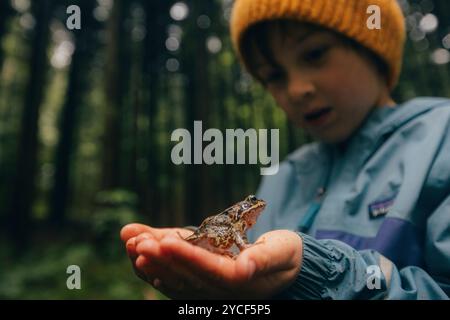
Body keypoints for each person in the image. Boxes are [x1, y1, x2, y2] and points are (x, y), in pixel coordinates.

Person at [120, 0, 450, 299]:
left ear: (373, 48)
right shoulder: (284, 176)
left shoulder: (440, 137)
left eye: (314, 54)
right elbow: (250, 271)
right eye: (274, 76)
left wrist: (321, 274)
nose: (297, 89)